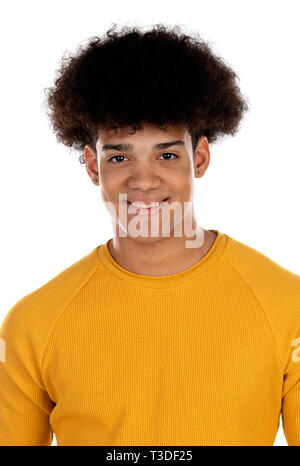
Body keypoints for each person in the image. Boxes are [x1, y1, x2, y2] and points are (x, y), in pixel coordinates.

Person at [0, 23, 299, 446]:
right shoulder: (33, 324)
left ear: (199, 157)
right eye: (120, 155)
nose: (143, 180)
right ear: (92, 166)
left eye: (167, 154)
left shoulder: (288, 308)